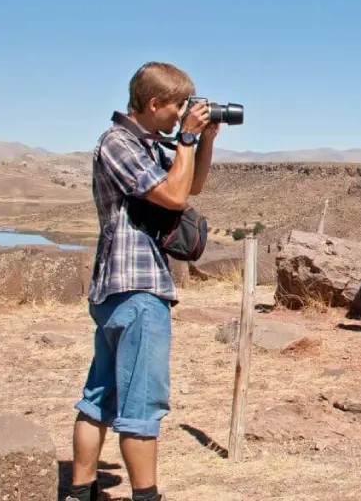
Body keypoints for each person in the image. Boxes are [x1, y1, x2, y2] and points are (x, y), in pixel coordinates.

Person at [64, 61, 219, 501]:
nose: (181, 114)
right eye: (177, 108)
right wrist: (186, 137)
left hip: (119, 289)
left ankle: (81, 491)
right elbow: (171, 196)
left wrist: (202, 141)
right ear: (153, 103)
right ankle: (146, 496)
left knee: (99, 396)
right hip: (136, 288)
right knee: (141, 406)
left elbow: (192, 186)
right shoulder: (118, 143)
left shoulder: (144, 143)